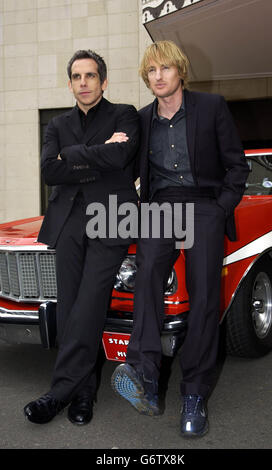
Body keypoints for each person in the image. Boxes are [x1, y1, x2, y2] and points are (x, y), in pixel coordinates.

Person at [111, 40, 249, 437]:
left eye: (165, 69)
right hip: (161, 205)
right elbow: (128, 170)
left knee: (205, 296)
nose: (158, 77)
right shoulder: (141, 119)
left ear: (180, 72)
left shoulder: (211, 107)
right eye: (151, 71)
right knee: (147, 276)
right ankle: (146, 377)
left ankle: (194, 393)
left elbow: (236, 166)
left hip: (204, 203)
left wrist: (220, 208)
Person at [24, 50, 139, 425]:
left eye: (91, 76)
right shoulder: (57, 125)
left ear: (103, 81)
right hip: (69, 221)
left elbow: (121, 158)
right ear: (70, 83)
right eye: (77, 76)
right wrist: (96, 155)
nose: (84, 82)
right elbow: (48, 172)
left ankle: (57, 393)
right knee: (73, 307)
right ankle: (83, 394)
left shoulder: (124, 114)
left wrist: (71, 158)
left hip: (112, 219)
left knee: (89, 305)